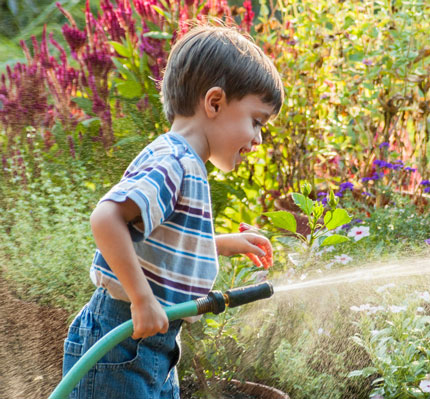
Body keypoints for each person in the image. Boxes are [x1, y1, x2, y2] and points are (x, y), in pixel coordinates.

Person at [62, 24, 283, 399]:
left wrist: (218, 243)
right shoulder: (175, 162)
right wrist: (141, 298)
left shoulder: (186, 163)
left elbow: (155, 241)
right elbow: (106, 218)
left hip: (152, 346)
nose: (259, 138)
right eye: (256, 121)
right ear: (214, 103)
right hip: (121, 340)